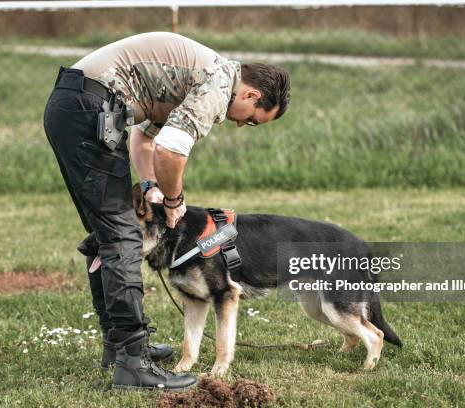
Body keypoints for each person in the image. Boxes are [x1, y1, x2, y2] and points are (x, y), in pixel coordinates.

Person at [43, 32, 290, 391]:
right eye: (251, 119)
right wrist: (173, 201)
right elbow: (171, 151)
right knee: (123, 238)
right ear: (251, 94)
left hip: (76, 104)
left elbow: (145, 139)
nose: (241, 125)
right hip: (90, 106)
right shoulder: (218, 83)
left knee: (108, 235)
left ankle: (120, 347)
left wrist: (149, 187)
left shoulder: (195, 78)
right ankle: (132, 363)